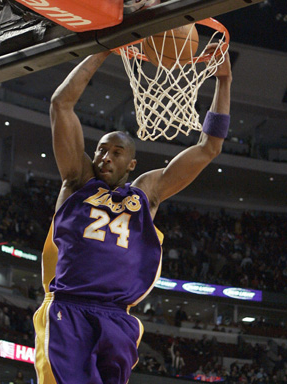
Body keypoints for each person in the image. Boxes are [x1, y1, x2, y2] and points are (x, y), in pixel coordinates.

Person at [33, 45, 232, 384]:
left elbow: (209, 147)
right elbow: (60, 104)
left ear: (132, 164)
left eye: (116, 151)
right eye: (101, 149)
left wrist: (224, 81)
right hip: (69, 309)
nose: (106, 156)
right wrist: (103, 48)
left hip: (118, 318)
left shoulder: (146, 195)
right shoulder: (77, 182)